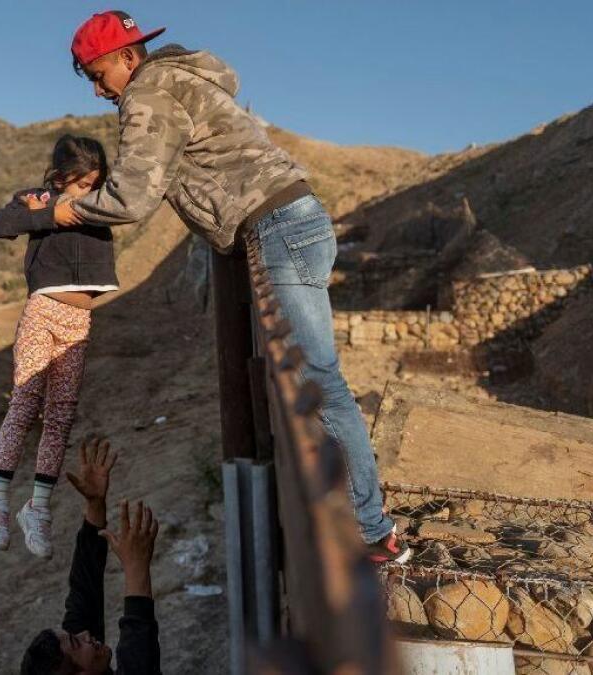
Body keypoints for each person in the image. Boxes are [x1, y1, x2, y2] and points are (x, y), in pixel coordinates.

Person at [54, 11, 409, 563]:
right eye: (89, 80)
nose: (99, 91)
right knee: (306, 380)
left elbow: (133, 198)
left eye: (98, 74)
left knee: (319, 381)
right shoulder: (182, 82)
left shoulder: (147, 94)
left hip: (278, 229)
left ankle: (371, 531)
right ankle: (352, 516)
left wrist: (64, 210)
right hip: (292, 220)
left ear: (128, 57)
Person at [0, 135, 120, 559]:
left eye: (95, 182)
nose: (87, 192)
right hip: (42, 311)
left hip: (79, 320)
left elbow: (134, 198)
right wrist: (50, 214)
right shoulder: (39, 199)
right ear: (60, 178)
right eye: (80, 183)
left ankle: (37, 508)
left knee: (60, 415)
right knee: (24, 402)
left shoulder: (104, 204)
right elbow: (0, 225)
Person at [20, 438, 162, 675]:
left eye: (75, 636)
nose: (85, 634)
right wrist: (136, 567)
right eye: (77, 642)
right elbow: (139, 658)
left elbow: (84, 589)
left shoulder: (78, 658)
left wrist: (95, 505)